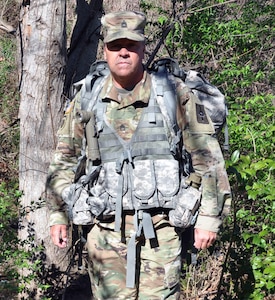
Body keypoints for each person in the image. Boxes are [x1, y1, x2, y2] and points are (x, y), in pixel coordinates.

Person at [46, 11, 231, 300]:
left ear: (143, 48)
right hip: (104, 231)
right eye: (115, 45)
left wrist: (208, 219)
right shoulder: (88, 96)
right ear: (104, 50)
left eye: (131, 45)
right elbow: (65, 157)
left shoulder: (172, 92)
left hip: (162, 229)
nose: (123, 52)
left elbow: (207, 157)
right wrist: (58, 214)